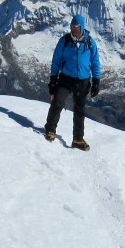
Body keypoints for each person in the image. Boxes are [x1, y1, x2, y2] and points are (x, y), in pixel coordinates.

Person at [44, 13, 101, 150]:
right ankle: (50, 129)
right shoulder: (64, 41)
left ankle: (78, 139)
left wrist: (96, 81)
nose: (73, 29)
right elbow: (56, 60)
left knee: (80, 110)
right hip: (65, 78)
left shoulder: (90, 42)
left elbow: (95, 63)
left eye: (76, 26)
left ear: (82, 27)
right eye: (72, 26)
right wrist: (53, 79)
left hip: (82, 81)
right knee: (58, 102)